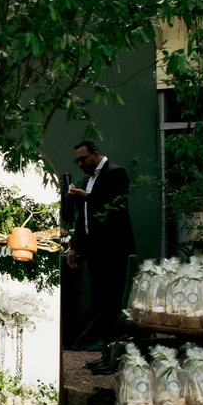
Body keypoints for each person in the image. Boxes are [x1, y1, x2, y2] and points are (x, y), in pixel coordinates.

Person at [64, 140, 135, 375]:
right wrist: (74, 246)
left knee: (112, 305)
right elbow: (84, 217)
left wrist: (87, 197)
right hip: (94, 252)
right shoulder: (87, 180)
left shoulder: (116, 173)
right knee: (101, 306)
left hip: (112, 251)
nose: (80, 164)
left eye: (83, 159)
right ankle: (106, 354)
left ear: (96, 154)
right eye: (77, 161)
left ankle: (114, 359)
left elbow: (117, 208)